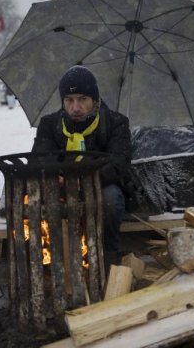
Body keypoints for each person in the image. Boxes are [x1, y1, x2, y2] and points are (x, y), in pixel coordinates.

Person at [31, 65, 132, 266]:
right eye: (69, 100)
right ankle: (54, 256)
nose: (75, 107)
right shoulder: (50, 124)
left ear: (94, 99)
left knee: (111, 199)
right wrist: (58, 176)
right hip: (59, 185)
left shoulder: (115, 122)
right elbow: (39, 159)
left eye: (82, 99)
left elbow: (118, 164)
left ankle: (108, 254)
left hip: (101, 186)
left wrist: (81, 181)